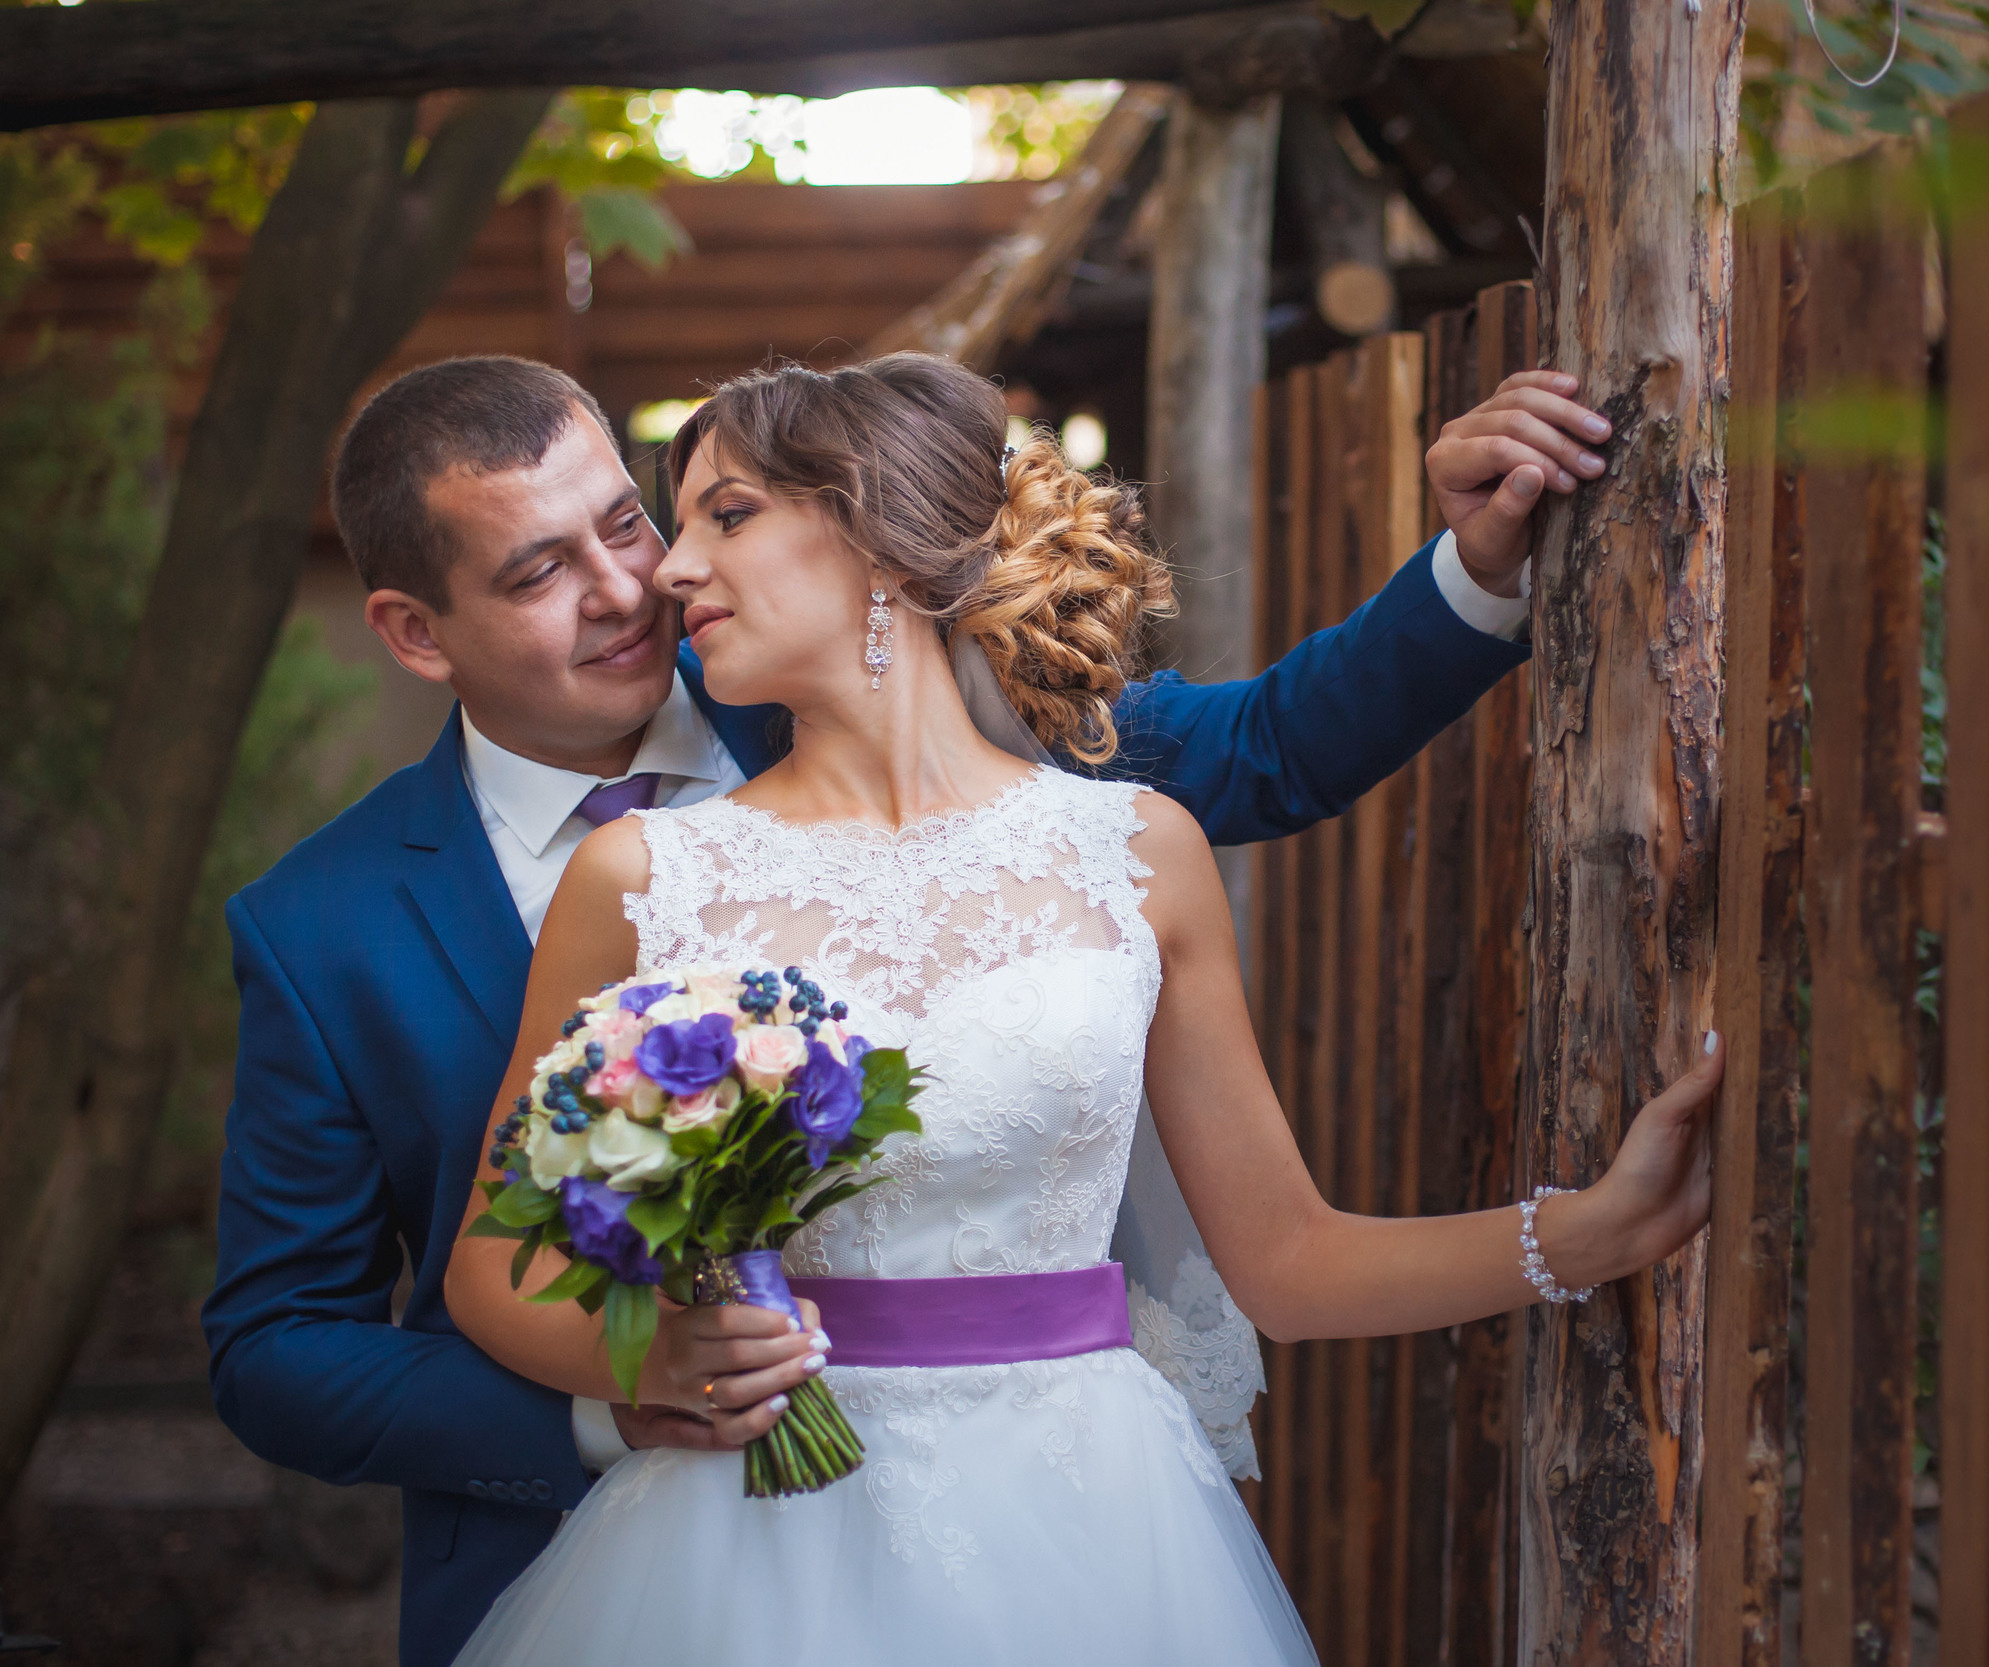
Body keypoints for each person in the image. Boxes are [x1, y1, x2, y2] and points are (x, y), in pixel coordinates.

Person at [202, 350, 1632, 1667]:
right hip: (633, 1569)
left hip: (1076, 1527)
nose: (640, 585)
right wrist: (622, 1388)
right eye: (537, 572)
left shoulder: (982, 731)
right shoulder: (328, 926)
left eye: (628, 527)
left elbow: (1263, 747)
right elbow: (284, 1345)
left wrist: (1479, 560)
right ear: (414, 631)